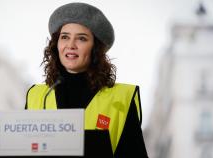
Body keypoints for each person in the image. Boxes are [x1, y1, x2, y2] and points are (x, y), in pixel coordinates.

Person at [25, 2, 148, 157]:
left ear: (95, 48)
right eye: (64, 37)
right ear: (57, 44)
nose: (71, 45)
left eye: (81, 39)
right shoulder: (36, 95)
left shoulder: (121, 98)